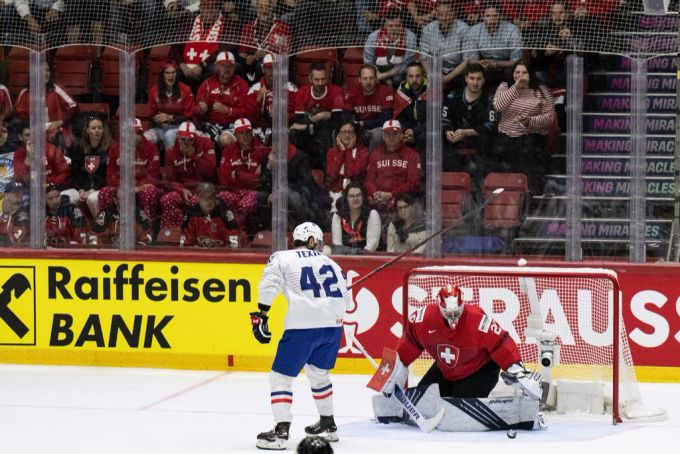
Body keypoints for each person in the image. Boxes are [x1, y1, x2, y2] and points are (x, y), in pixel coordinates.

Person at [250, 222, 350, 450]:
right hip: (333, 327)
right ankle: (328, 423)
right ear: (313, 240)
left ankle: (281, 431)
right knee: (319, 374)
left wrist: (261, 314)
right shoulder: (332, 263)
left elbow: (269, 284)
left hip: (302, 325)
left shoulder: (282, 257)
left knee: (280, 377)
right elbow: (348, 301)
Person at [377, 284, 542, 401]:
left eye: (457, 312)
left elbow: (501, 343)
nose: (453, 317)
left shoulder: (478, 320)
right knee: (421, 400)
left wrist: (517, 370)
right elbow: (409, 342)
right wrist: (392, 369)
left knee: (458, 404)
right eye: (449, 313)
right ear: (440, 307)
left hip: (479, 370)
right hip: (446, 370)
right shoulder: (423, 318)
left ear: (462, 304)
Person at [491, 59, 555, 194]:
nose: (520, 75)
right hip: (507, 136)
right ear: (513, 74)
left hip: (532, 135)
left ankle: (530, 190)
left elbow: (549, 117)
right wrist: (516, 87)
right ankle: (506, 190)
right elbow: (498, 106)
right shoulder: (504, 86)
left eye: (524, 73)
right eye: (517, 72)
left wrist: (529, 121)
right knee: (503, 148)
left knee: (528, 148)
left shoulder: (541, 91)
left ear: (530, 74)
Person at [98, 119, 163, 224]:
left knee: (148, 192)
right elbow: (110, 175)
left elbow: (153, 175)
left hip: (143, 187)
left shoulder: (151, 148)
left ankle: (146, 229)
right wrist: (123, 187)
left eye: (136, 133)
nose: (132, 137)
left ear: (141, 133)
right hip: (123, 187)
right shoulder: (115, 149)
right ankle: (110, 228)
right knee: (105, 192)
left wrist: (137, 187)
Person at [441, 63, 496, 180]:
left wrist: (466, 132)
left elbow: (490, 125)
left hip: (480, 143)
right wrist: (448, 132)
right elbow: (444, 118)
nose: (475, 82)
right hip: (455, 141)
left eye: (478, 79)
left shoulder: (490, 98)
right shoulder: (453, 95)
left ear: (484, 80)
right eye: (472, 78)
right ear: (466, 78)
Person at [160, 120, 217, 229]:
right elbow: (171, 181)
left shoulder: (206, 143)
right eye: (183, 139)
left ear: (195, 137)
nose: (186, 142)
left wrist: (193, 156)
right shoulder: (171, 153)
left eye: (189, 139)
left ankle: (203, 232)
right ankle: (173, 233)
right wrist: (181, 190)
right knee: (167, 199)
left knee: (201, 201)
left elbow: (211, 171)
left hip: (204, 189)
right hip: (184, 190)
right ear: (178, 136)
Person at [193, 51, 255, 150]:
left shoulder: (242, 85)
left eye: (230, 66)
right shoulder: (207, 84)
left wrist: (228, 110)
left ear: (234, 67)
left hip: (233, 126)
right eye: (223, 65)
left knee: (225, 139)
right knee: (193, 138)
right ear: (216, 66)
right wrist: (201, 109)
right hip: (211, 124)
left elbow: (248, 112)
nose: (226, 69)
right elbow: (194, 109)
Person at [216, 117, 270, 230]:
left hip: (253, 192)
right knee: (221, 197)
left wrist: (237, 175)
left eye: (248, 132)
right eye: (241, 133)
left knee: (244, 205)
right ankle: (228, 231)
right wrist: (250, 176)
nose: (245, 136)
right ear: (235, 135)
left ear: (252, 132)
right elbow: (224, 179)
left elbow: (261, 180)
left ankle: (244, 233)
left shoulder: (262, 150)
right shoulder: (229, 150)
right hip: (234, 191)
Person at [290, 62, 344, 170]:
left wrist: (309, 120)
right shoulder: (302, 93)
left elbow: (337, 120)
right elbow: (298, 120)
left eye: (323, 79)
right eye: (317, 79)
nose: (320, 83)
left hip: (326, 133)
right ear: (310, 79)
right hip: (306, 132)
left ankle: (326, 176)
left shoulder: (337, 92)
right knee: (294, 134)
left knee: (324, 136)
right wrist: (321, 116)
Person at [14, 61, 79, 150]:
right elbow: (20, 114)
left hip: (55, 132)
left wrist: (61, 121)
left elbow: (74, 107)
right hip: (33, 132)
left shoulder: (56, 89)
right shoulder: (25, 93)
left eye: (48, 70)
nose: (46, 74)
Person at [364, 119, 422, 215]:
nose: (391, 137)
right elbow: (369, 179)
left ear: (401, 135)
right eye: (387, 134)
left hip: (401, 200)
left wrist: (392, 194)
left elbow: (414, 183)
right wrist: (374, 193)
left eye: (395, 133)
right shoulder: (375, 154)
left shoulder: (412, 155)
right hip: (376, 199)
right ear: (383, 136)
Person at [66, 114, 115, 218]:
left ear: (103, 130)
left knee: (93, 198)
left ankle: (100, 226)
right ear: (87, 130)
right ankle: (74, 228)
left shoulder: (111, 148)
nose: (97, 130)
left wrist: (92, 190)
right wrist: (80, 190)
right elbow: (75, 173)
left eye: (99, 128)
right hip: (82, 189)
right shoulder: (78, 148)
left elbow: (110, 175)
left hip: (102, 188)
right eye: (93, 128)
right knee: (65, 197)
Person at [465, 3, 524, 88]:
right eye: (488, 16)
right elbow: (471, 59)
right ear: (483, 17)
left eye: (495, 16)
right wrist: (481, 63)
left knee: (514, 71)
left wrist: (496, 64)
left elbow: (516, 60)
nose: (491, 20)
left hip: (507, 68)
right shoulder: (474, 31)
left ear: (501, 16)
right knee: (472, 72)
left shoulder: (513, 30)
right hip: (484, 66)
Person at [419, 0, 473, 88]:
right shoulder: (428, 29)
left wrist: (448, 78)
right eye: (440, 14)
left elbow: (466, 60)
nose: (444, 18)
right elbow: (423, 58)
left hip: (456, 72)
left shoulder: (464, 29)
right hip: (434, 71)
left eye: (447, 14)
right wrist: (432, 76)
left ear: (453, 14)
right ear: (436, 14)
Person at [146, 60, 196, 153]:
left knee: (169, 135)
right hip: (160, 127)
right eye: (167, 73)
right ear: (162, 75)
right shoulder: (154, 90)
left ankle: (171, 165)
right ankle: (150, 165)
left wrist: (170, 118)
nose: (171, 76)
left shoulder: (186, 90)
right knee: (146, 137)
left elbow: (189, 116)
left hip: (178, 127)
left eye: (173, 73)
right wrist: (156, 118)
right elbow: (151, 113)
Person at [342, 65, 393, 150]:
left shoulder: (386, 91)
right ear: (359, 80)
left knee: (377, 135)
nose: (368, 82)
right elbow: (346, 115)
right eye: (365, 79)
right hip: (358, 128)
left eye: (371, 78)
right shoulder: (352, 91)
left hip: (378, 128)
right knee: (340, 132)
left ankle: (372, 162)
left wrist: (363, 124)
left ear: (376, 79)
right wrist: (351, 126)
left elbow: (386, 120)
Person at [363, 10, 417, 88]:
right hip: (378, 69)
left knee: (397, 79)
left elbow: (405, 64)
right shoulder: (373, 37)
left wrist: (382, 76)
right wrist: (379, 76)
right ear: (385, 25)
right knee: (369, 78)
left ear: (402, 25)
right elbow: (368, 62)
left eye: (397, 25)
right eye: (390, 26)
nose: (394, 29)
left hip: (400, 72)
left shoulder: (410, 37)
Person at [182, 181, 244, 247]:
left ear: (215, 197)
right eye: (204, 197)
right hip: (198, 254)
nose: (209, 201)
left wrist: (224, 248)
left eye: (211, 197)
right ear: (198, 199)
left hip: (220, 253)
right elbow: (186, 241)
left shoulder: (223, 211)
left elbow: (233, 236)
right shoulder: (191, 214)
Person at [325, 121, 370, 208]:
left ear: (355, 134)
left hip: (355, 193)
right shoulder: (331, 152)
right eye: (343, 132)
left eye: (350, 132)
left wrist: (348, 150)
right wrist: (342, 151)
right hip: (335, 193)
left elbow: (352, 174)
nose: (347, 135)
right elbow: (331, 175)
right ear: (338, 135)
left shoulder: (363, 151)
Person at [13, 123, 72, 189]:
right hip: (32, 191)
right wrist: (28, 158)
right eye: (27, 135)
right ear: (20, 137)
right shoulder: (18, 154)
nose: (32, 137)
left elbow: (64, 171)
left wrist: (52, 185)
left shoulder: (50, 149)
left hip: (54, 188)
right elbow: (19, 179)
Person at [331, 182, 381, 255]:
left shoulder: (372, 214)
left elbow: (372, 245)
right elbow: (337, 246)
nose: (355, 199)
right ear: (346, 198)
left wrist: (358, 258)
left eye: (358, 195)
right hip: (344, 259)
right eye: (351, 196)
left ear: (363, 197)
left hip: (368, 259)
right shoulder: (338, 216)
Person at [392, 62, 428, 154]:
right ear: (406, 78)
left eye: (417, 76)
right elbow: (399, 118)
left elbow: (434, 121)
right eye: (411, 76)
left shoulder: (432, 90)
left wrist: (414, 131)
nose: (414, 80)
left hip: (424, 132)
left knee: (424, 137)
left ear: (423, 76)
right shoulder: (401, 92)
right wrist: (406, 132)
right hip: (408, 131)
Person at [44, 183, 87, 247]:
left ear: (60, 195)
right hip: (48, 249)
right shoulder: (41, 212)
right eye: (50, 198)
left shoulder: (72, 209)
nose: (55, 201)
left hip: (70, 248)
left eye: (57, 196)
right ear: (45, 200)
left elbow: (80, 230)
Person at [0, 180, 29, 246]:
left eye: (22, 194)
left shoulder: (22, 213)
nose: (20, 197)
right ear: (6, 195)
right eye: (17, 194)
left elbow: (17, 239)